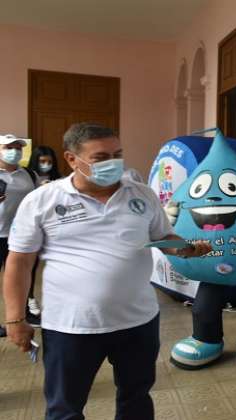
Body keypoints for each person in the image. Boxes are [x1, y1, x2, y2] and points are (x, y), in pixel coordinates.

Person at [3, 123, 211, 420]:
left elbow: (164, 237)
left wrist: (185, 248)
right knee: (65, 408)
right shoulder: (43, 201)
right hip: (71, 327)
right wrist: (15, 318)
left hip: (138, 322)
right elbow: (19, 262)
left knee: (136, 399)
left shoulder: (142, 194)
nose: (113, 163)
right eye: (101, 158)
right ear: (72, 159)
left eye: (118, 154)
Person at [0, 134, 37, 336]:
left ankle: (24, 314)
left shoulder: (29, 175)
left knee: (24, 276)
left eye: (17, 148)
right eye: (8, 147)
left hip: (23, 235)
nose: (14, 151)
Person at [26, 145, 64, 319]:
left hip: (52, 228)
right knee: (26, 266)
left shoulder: (59, 178)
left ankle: (51, 301)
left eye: (49, 161)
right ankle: (29, 299)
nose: (46, 164)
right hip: (29, 227)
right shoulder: (27, 176)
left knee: (51, 266)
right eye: (42, 161)